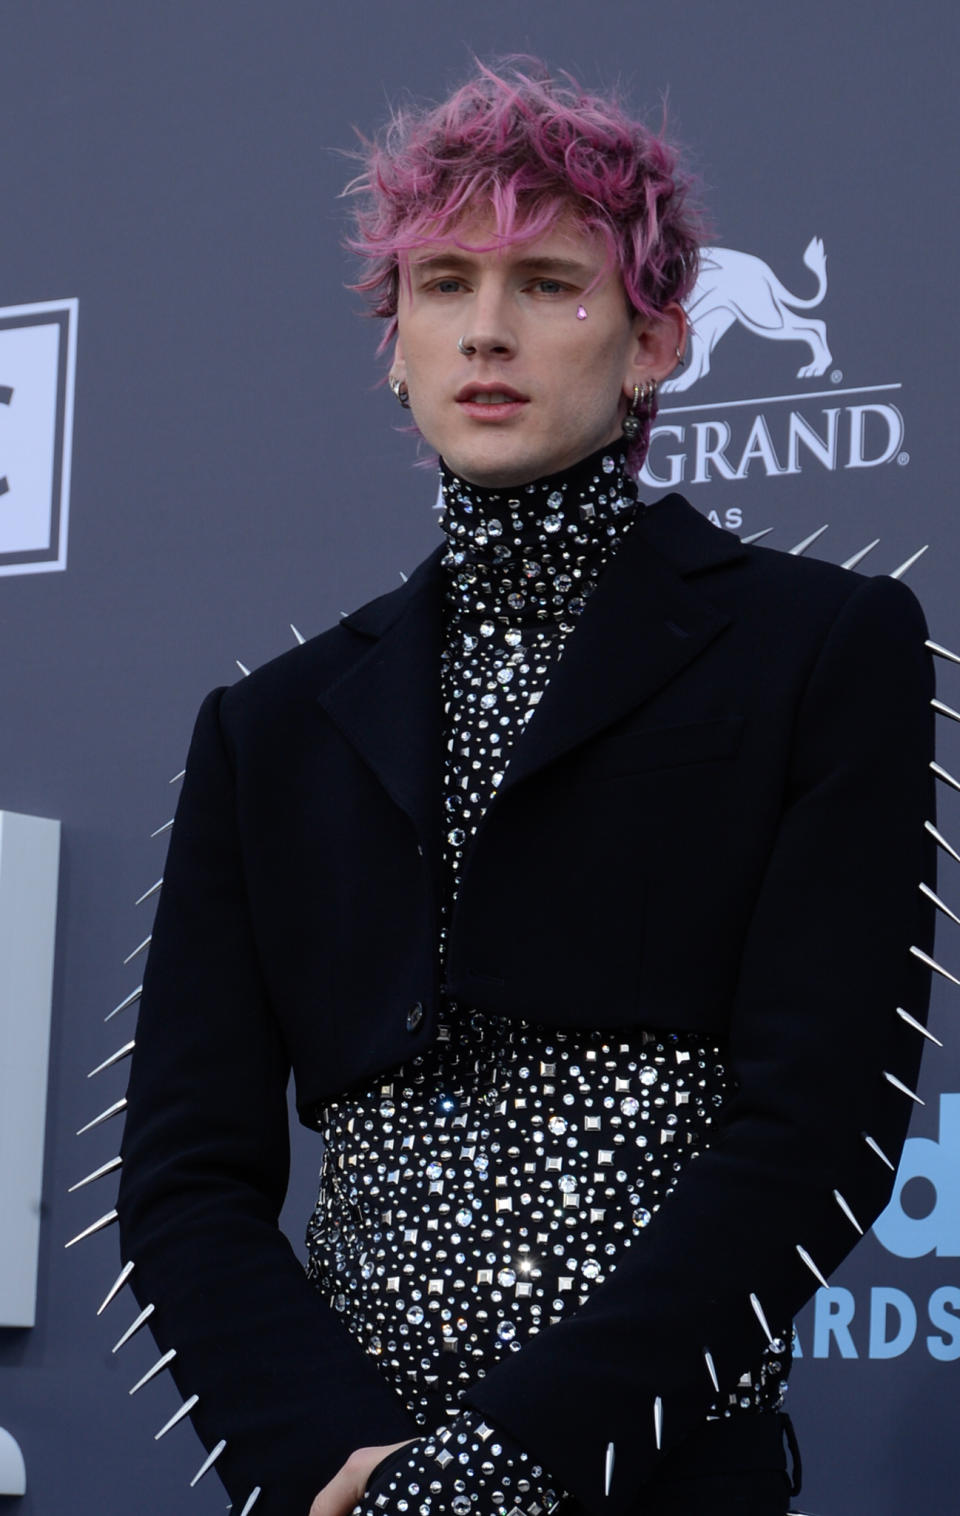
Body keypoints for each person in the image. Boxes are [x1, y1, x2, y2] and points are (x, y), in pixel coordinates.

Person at [106, 58, 937, 1516]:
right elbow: (185, 1180)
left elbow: (823, 1124)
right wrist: (334, 1463)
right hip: (345, 1488)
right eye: (441, 284)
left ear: (655, 341)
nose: (486, 330)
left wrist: (512, 1459)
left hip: (672, 1477)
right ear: (394, 344)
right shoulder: (271, 729)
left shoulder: (824, 648)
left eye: (549, 282)